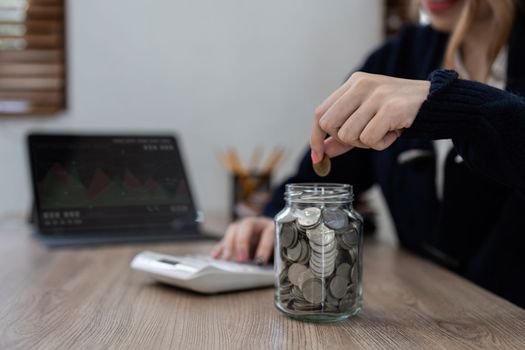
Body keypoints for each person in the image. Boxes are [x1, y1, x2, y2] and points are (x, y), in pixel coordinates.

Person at [211, 0, 525, 308]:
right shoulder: (398, 58)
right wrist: (274, 218)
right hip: (425, 318)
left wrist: (455, 106)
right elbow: (325, 171)